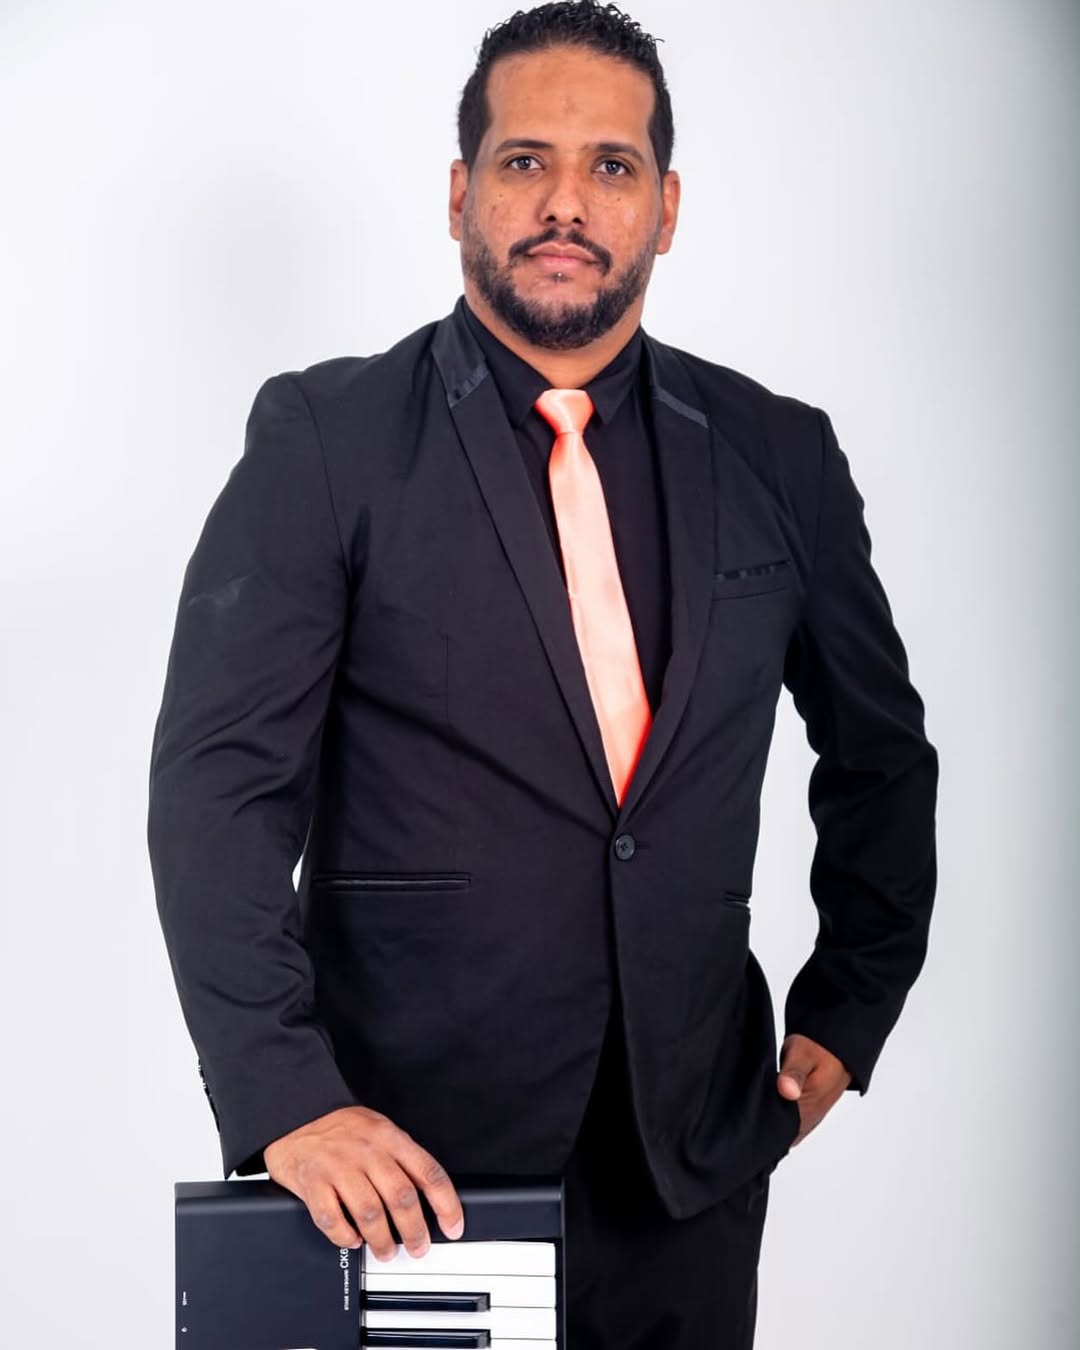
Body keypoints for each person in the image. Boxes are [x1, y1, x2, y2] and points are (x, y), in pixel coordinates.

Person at [147, 2, 938, 1345]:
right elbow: (219, 792)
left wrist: (852, 1007)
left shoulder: (780, 455)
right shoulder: (328, 440)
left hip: (691, 1165)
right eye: (526, 161)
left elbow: (880, 754)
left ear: (665, 208)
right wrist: (288, 1098)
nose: (566, 202)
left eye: (611, 166)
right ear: (461, 193)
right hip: (404, 1173)